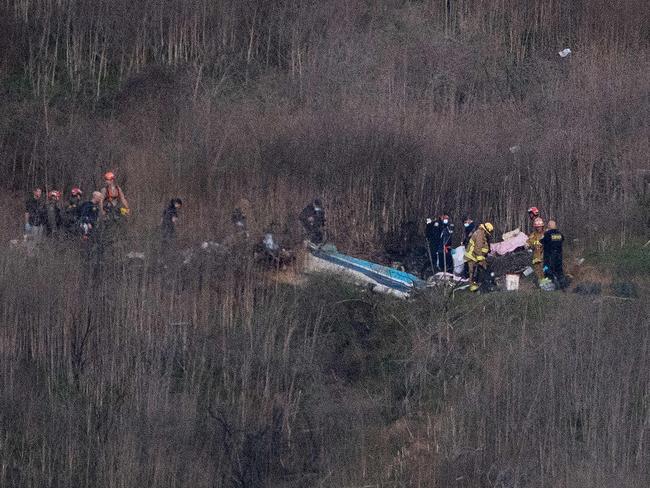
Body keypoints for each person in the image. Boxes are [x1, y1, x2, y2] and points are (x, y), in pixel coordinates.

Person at [464, 222, 493, 292]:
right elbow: (478, 248)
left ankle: (483, 284)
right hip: (472, 256)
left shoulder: (482, 234)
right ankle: (473, 288)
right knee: (472, 272)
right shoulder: (479, 234)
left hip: (477, 256)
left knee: (482, 270)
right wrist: (480, 260)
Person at [541, 220, 566, 288]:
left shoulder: (547, 233)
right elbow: (563, 239)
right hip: (559, 256)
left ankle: (551, 285)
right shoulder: (560, 234)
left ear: (549, 226)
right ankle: (563, 285)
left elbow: (542, 241)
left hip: (549, 257)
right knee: (559, 270)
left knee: (547, 269)